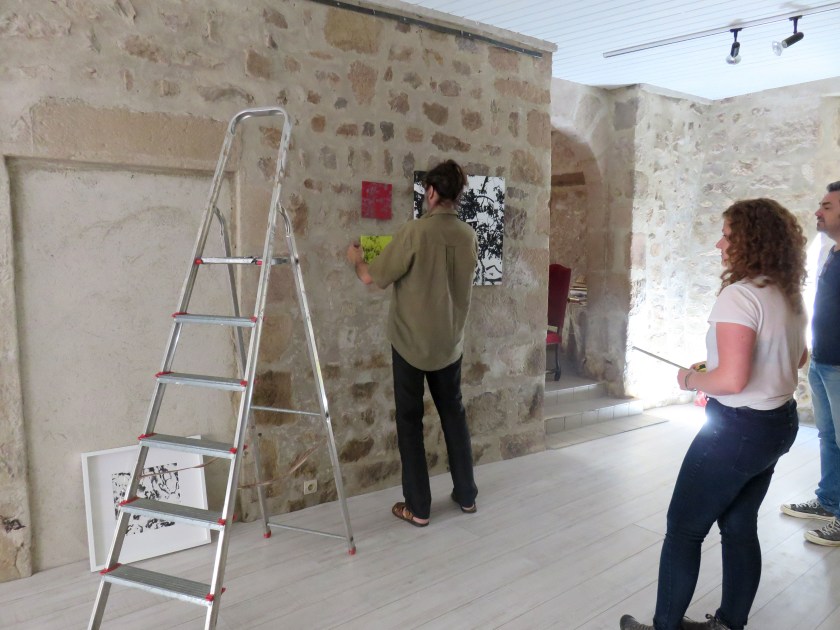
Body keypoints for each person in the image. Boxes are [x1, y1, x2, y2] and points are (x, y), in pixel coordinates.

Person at [621, 198, 808, 630]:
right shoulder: (787, 292)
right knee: (739, 526)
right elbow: (799, 358)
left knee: (683, 528)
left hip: (739, 430)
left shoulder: (739, 295)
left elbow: (732, 381)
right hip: (779, 423)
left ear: (752, 240)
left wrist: (691, 378)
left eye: (727, 236)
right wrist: (720, 368)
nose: (719, 245)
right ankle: (729, 624)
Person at [346, 159, 479, 527]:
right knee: (454, 415)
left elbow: (371, 278)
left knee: (409, 422)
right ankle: (467, 496)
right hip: (449, 342)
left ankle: (418, 508)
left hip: (410, 343)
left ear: (432, 192)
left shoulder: (415, 232)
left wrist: (356, 259)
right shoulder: (468, 236)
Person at [781, 181, 840, 545]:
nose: (818, 212)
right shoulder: (833, 252)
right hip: (824, 360)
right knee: (829, 437)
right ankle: (830, 501)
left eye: (827, 207)